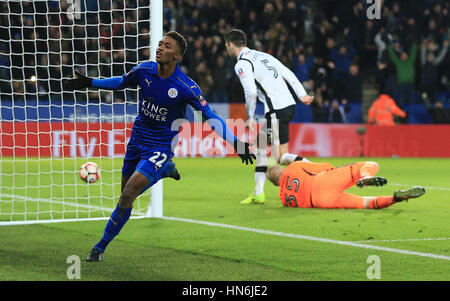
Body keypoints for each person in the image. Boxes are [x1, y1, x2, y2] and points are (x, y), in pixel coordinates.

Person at [63, 31, 256, 262]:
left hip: (160, 147)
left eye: (166, 46)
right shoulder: (144, 70)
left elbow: (211, 116)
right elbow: (121, 83)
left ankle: (100, 247)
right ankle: (164, 171)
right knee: (125, 198)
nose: (160, 48)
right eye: (160, 44)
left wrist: (236, 143)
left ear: (177, 56)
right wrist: (89, 82)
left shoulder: (186, 86)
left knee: (129, 192)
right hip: (137, 141)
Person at [224, 29, 314, 205]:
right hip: (288, 105)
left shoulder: (242, 64)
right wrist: (301, 94)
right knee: (260, 147)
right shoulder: (262, 55)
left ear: (230, 45)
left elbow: (250, 91)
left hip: (276, 110)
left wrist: (249, 115)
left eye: (226, 46)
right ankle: (258, 192)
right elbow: (286, 71)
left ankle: (316, 172)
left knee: (281, 157)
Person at [266, 161, 425, 209]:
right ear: (283, 169)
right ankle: (365, 176)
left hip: (321, 202)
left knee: (366, 203)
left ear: (275, 184)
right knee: (369, 164)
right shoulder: (292, 167)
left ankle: (394, 198)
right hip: (321, 182)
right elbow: (324, 166)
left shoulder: (283, 198)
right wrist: (335, 173)